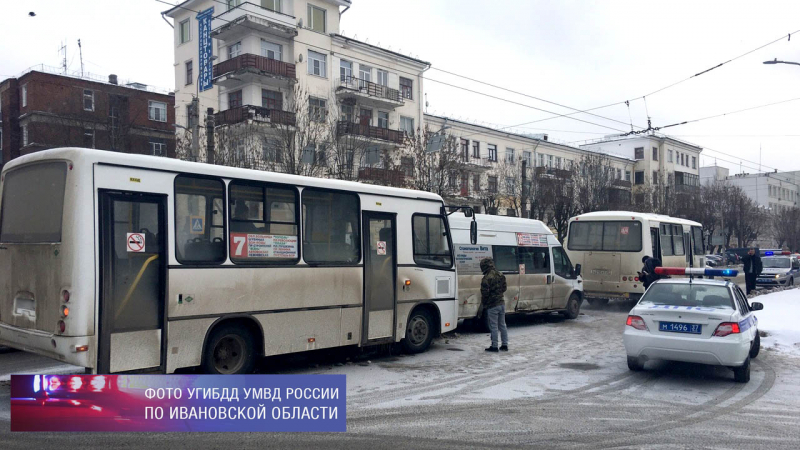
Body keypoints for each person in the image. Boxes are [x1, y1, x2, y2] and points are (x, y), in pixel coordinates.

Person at [480, 257, 508, 352]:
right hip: (501, 303)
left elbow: (484, 294)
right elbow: (504, 288)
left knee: (494, 326)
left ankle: (494, 346)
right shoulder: (500, 274)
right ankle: (505, 345)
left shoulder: (486, 278)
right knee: (502, 325)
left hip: (492, 305)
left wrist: (485, 304)